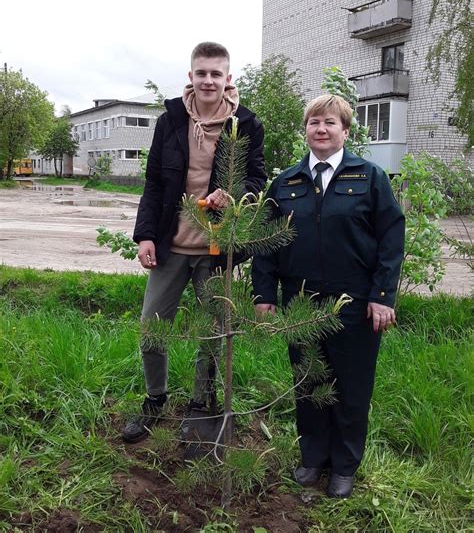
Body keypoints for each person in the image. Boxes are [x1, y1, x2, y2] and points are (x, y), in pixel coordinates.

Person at [252, 94, 404, 498]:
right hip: (300, 303)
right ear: (306, 130)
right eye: (314, 122)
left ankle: (344, 466)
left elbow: (391, 239)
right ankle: (313, 458)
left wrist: (383, 296)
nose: (321, 129)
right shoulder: (286, 183)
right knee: (308, 382)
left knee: (352, 387)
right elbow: (265, 242)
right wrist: (263, 293)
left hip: (354, 305)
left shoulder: (369, 177)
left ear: (345, 131)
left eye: (330, 123)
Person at [122, 41, 266, 443]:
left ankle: (201, 406)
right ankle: (155, 400)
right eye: (201, 73)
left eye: (216, 74)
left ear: (228, 79)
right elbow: (153, 183)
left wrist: (234, 194)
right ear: (191, 76)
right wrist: (146, 235)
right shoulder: (170, 120)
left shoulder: (246, 125)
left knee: (212, 333)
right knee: (152, 327)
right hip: (171, 246)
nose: (208, 80)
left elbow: (257, 177)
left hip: (217, 251)